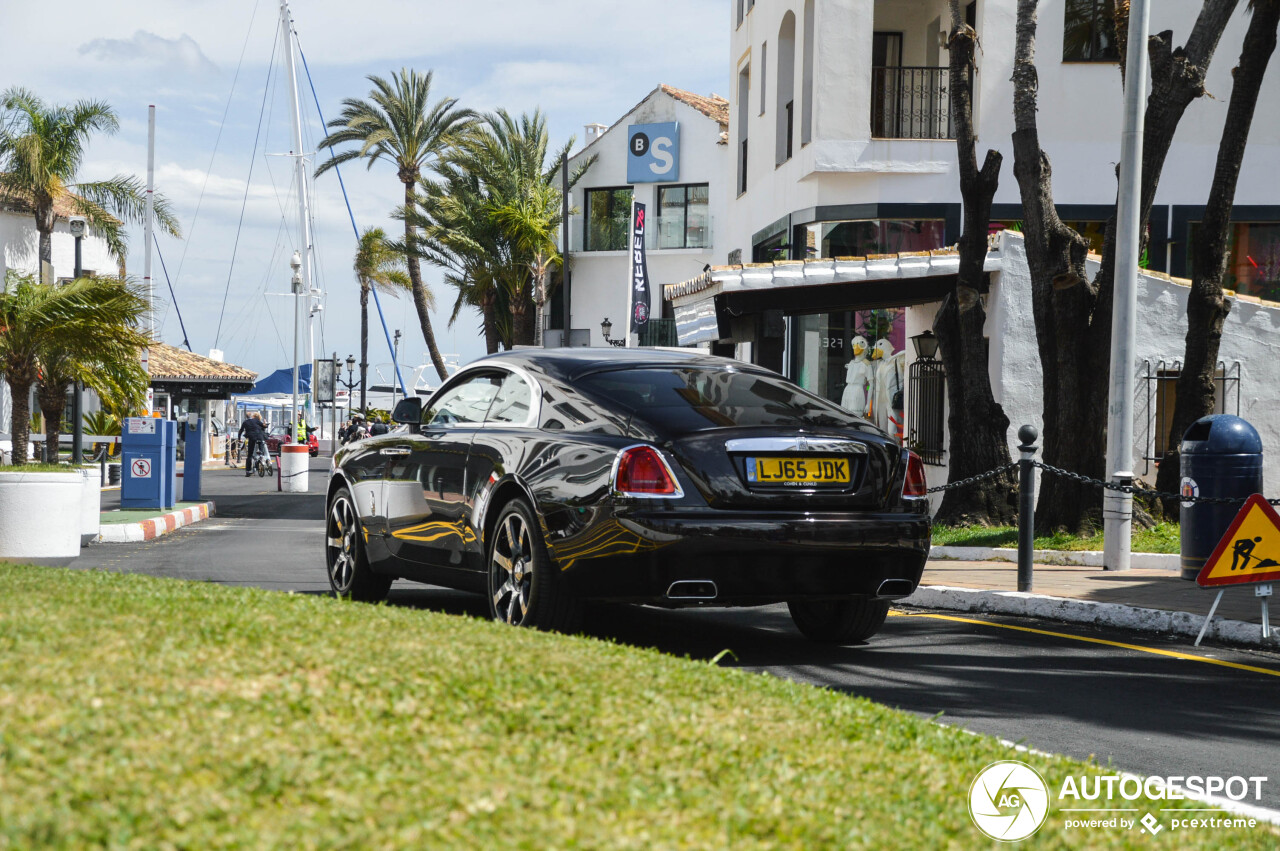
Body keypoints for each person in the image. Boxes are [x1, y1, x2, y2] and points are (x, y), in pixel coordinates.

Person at [237, 411, 268, 477]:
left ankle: (248, 471)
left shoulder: (245, 422)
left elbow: (241, 431)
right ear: (252, 416)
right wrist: (265, 423)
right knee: (261, 445)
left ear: (246, 417)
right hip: (259, 437)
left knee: (250, 455)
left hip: (251, 438)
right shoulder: (256, 420)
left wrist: (239, 438)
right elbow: (264, 426)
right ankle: (261, 455)